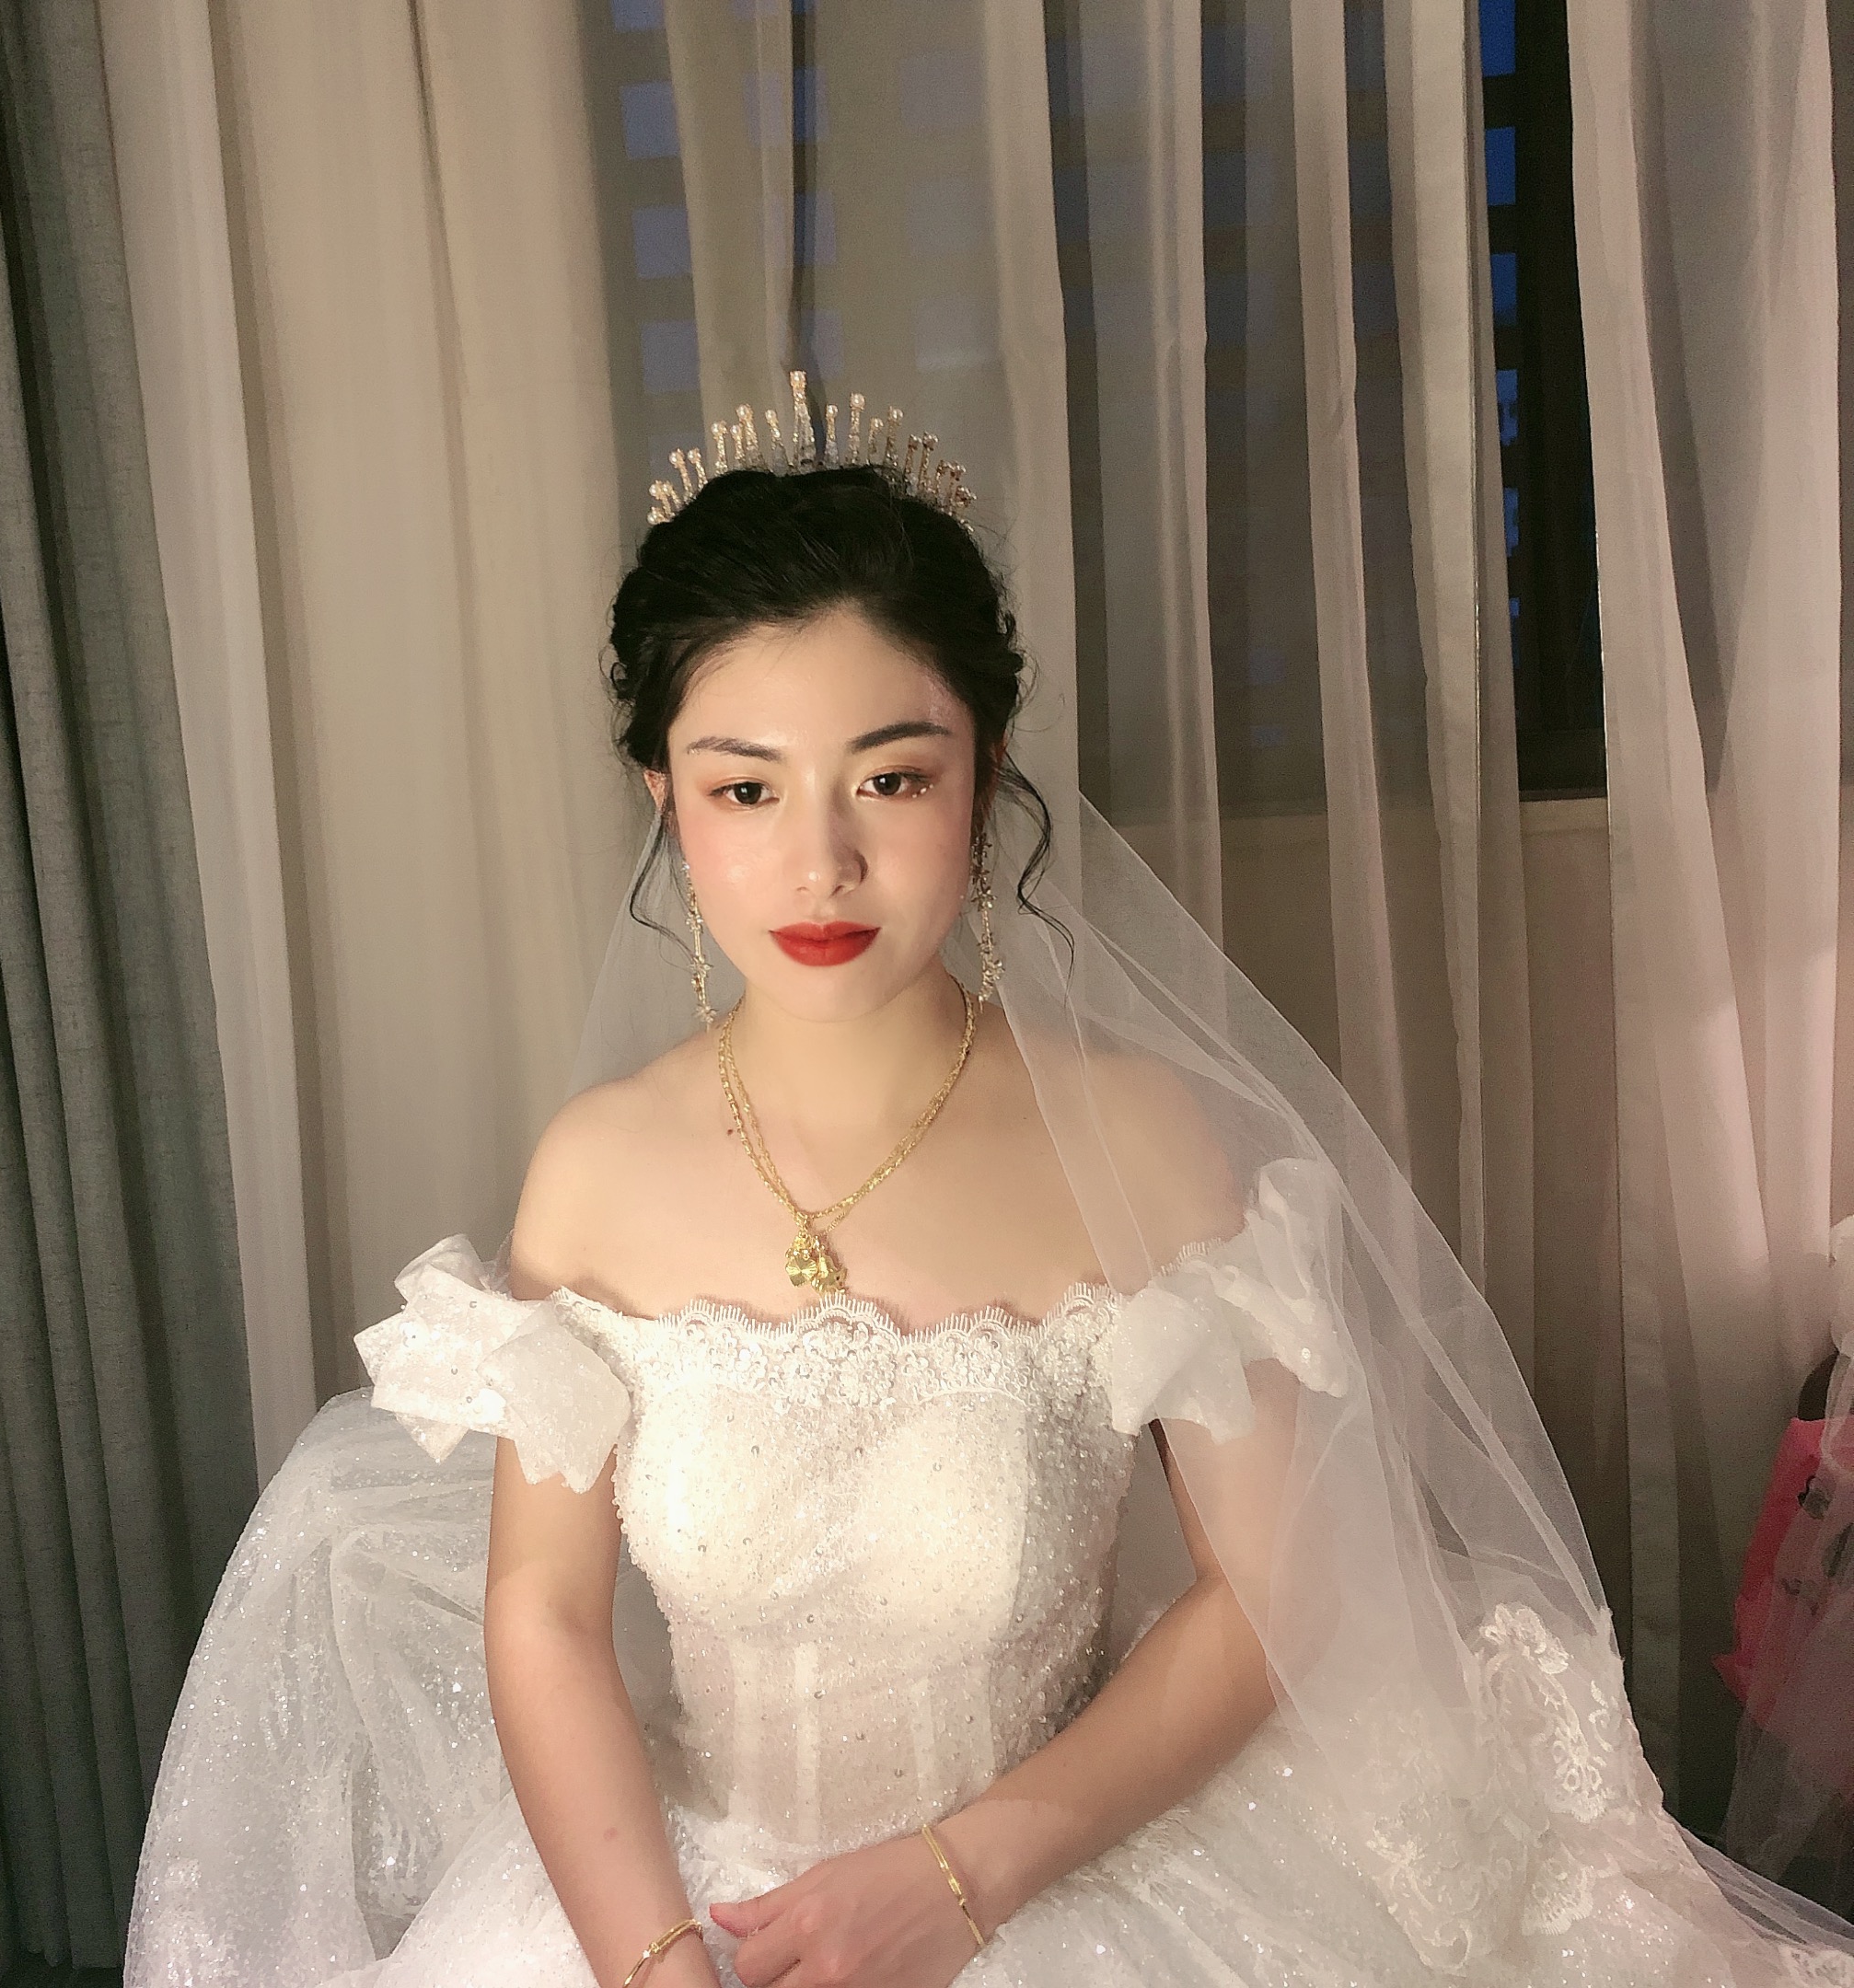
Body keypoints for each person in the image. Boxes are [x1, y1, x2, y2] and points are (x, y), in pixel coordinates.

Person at [126, 381, 1854, 1987]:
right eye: (746, 789)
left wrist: (958, 1878)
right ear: (663, 795)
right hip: (672, 1899)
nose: (822, 861)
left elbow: (1270, 1592)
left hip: (1058, 1874)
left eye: (891, 777)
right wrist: (656, 1964)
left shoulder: (1140, 1144)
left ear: (987, 769)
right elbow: (545, 1615)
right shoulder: (595, 1170)